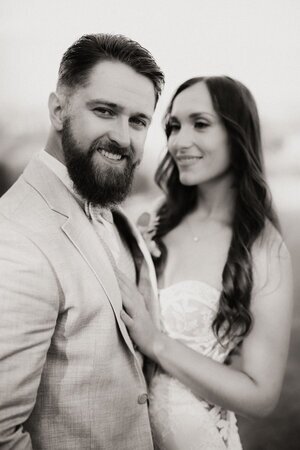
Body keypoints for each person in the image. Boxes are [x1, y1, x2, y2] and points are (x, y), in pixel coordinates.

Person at [0, 33, 164, 449]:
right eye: (105, 111)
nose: (123, 137)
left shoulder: (106, 208)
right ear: (58, 110)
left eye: (138, 120)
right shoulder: (15, 237)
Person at [120, 76, 293, 449]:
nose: (180, 141)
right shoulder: (157, 218)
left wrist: (157, 344)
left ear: (236, 134)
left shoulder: (262, 248)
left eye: (200, 123)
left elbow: (261, 396)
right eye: (173, 126)